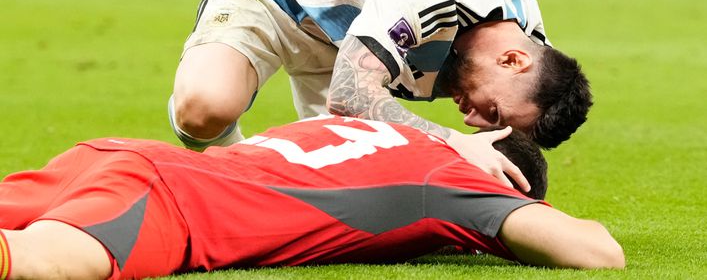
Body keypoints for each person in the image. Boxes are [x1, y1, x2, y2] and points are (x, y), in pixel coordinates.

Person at [168, 0, 593, 186]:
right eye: (493, 112)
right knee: (205, 109)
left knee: (342, 188)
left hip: (364, 35)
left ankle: (254, 187)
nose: (474, 123)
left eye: (490, 125)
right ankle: (231, 167)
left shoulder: (528, 42)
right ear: (513, 61)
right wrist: (452, 144)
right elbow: (350, 94)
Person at [0, 116, 623, 279]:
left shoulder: (383, 129)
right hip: (171, 202)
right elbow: (597, 254)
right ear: (500, 180)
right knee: (46, 263)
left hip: (110, 157)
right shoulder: (456, 182)